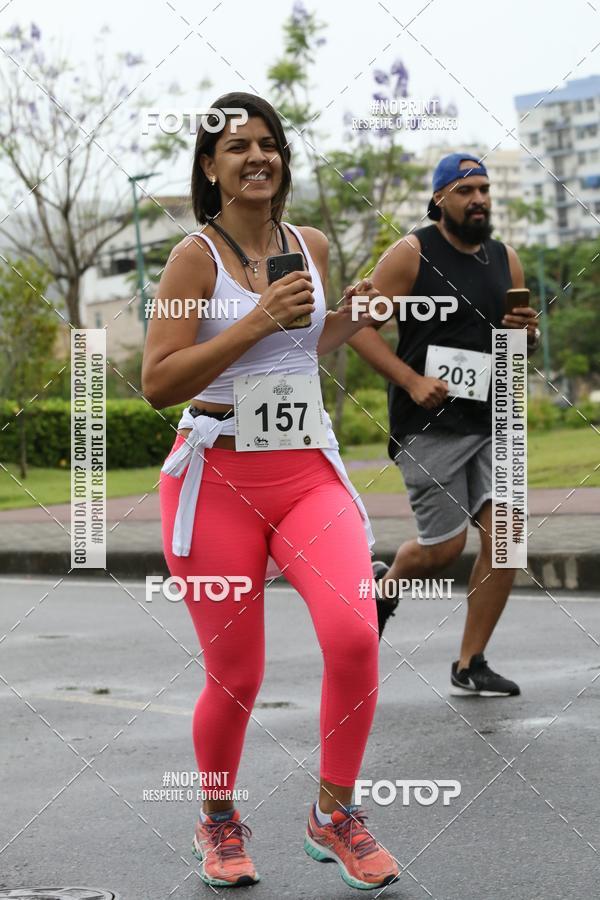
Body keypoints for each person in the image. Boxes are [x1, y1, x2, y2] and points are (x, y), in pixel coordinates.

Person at [141, 92, 399, 890]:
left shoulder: (309, 244)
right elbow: (156, 381)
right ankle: (217, 822)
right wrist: (252, 319)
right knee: (237, 674)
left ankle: (333, 813)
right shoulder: (194, 258)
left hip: (305, 470)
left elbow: (304, 344)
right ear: (211, 168)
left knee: (355, 637)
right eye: (237, 147)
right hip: (216, 478)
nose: (257, 156)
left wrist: (354, 315)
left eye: (269, 143)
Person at [349, 153, 540, 697]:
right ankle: (382, 586)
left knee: (506, 540)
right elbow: (358, 328)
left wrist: (527, 336)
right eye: (465, 190)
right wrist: (409, 380)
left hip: (493, 418)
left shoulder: (506, 259)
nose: (478, 199)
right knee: (442, 551)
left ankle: (470, 661)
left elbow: (516, 341)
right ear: (439, 199)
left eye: (483, 189)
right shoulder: (413, 253)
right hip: (429, 423)